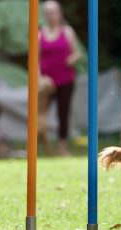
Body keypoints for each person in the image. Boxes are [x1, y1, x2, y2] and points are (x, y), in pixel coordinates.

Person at [38, 1, 81, 157]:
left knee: (63, 113)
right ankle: (44, 146)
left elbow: (77, 53)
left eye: (53, 11)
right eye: (47, 12)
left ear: (59, 13)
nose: (50, 15)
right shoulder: (40, 34)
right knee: (40, 114)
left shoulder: (67, 31)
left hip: (65, 79)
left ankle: (62, 147)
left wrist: (72, 59)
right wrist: (39, 77)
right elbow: (36, 59)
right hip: (46, 82)